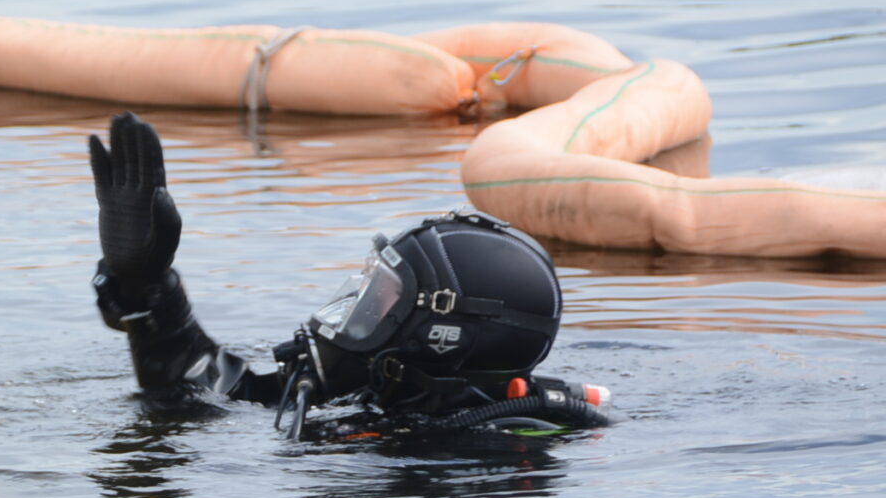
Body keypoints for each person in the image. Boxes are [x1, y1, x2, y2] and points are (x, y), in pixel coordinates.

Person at [86, 112, 610, 439]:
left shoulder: (477, 443)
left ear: (440, 338)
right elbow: (214, 388)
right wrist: (148, 288)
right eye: (368, 289)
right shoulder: (379, 390)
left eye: (382, 300)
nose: (358, 308)